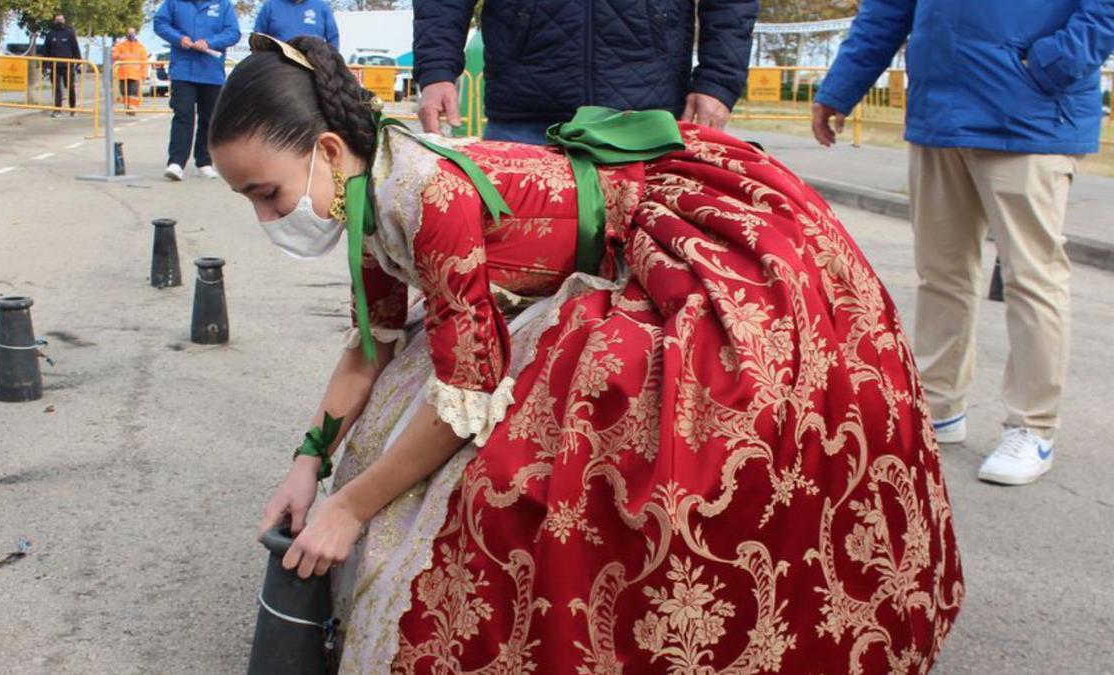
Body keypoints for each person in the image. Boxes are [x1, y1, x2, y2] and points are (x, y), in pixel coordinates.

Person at [211, 34, 964, 673]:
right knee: (402, 428)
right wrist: (307, 460)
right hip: (549, 274)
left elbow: (463, 404)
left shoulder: (427, 196)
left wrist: (347, 507)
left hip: (651, 239)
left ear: (329, 149)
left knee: (587, 452)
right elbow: (367, 352)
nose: (266, 217)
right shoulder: (366, 192)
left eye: (266, 193)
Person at [812, 0, 1114, 486]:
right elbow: (888, 8)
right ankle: (939, 405)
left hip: (1030, 115)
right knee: (941, 273)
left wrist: (1048, 65)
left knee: (1032, 278)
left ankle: (1032, 426)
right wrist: (841, 88)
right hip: (942, 113)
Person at [414, 0, 759, 143]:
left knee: (652, 282)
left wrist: (718, 81)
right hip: (526, 117)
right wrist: (436, 70)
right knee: (515, 282)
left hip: (648, 123)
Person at [153, 0, 241, 181]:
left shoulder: (222, 4)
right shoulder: (174, 3)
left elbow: (233, 32)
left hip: (211, 71)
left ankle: (204, 162)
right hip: (183, 71)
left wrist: (209, 42)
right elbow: (160, 23)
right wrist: (179, 38)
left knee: (209, 118)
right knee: (183, 115)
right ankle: (176, 163)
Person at [40, 13, 81, 118]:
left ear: (64, 21)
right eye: (58, 20)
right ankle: (58, 110)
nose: (59, 22)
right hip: (55, 66)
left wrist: (79, 63)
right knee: (57, 88)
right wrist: (44, 66)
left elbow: (75, 48)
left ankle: (73, 108)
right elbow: (45, 51)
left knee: (70, 87)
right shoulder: (51, 34)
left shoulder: (69, 33)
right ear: (54, 21)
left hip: (68, 66)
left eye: (61, 20)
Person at [253, 0, 339, 47]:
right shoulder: (270, 6)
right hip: (277, 65)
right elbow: (258, 38)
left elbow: (333, 38)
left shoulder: (322, 7)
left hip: (313, 64)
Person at [112, 27, 150, 115]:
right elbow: (114, 55)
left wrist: (144, 75)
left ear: (135, 34)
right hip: (123, 74)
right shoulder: (121, 45)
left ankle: (133, 108)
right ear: (126, 34)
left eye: (132, 33)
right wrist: (119, 56)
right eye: (129, 33)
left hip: (135, 74)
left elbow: (144, 62)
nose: (131, 35)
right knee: (124, 92)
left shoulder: (140, 47)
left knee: (133, 92)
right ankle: (127, 106)